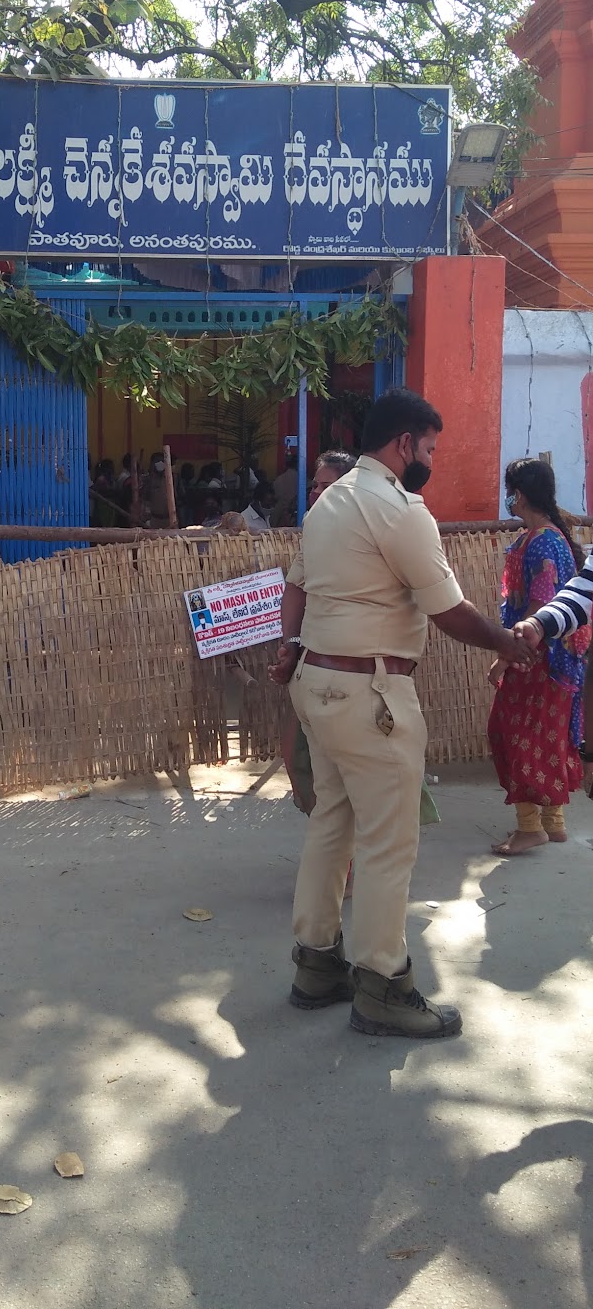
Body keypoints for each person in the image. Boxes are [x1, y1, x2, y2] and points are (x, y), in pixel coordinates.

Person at [269, 388, 535, 1040]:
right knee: (389, 841)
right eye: (431, 448)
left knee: (332, 822)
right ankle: (384, 986)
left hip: (318, 684)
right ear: (403, 443)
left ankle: (316, 966)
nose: (432, 460)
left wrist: (287, 646)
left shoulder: (329, 501)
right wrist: (507, 643)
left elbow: (297, 583)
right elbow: (448, 611)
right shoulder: (397, 507)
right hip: (371, 698)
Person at [487, 460, 589, 856]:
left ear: (521, 494)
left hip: (535, 657)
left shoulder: (543, 541)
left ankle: (530, 827)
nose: (508, 498)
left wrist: (505, 658)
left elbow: (538, 607)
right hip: (556, 659)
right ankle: (554, 822)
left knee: (514, 735)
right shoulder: (546, 537)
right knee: (550, 736)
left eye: (510, 490)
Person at [275, 452, 357, 815]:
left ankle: (349, 855)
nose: (316, 493)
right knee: (296, 758)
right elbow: (295, 587)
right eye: (314, 486)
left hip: (358, 669)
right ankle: (333, 843)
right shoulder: (313, 527)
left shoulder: (377, 529)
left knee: (350, 768)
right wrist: (290, 645)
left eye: (327, 485)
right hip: (311, 664)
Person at [271, 451, 299, 527]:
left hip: (278, 516)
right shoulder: (302, 480)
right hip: (294, 516)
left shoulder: (278, 480)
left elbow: (275, 497)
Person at [145, 451, 171, 527]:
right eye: (157, 461)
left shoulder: (171, 479)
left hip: (169, 519)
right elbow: (145, 499)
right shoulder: (147, 480)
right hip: (154, 519)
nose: (160, 463)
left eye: (162, 461)